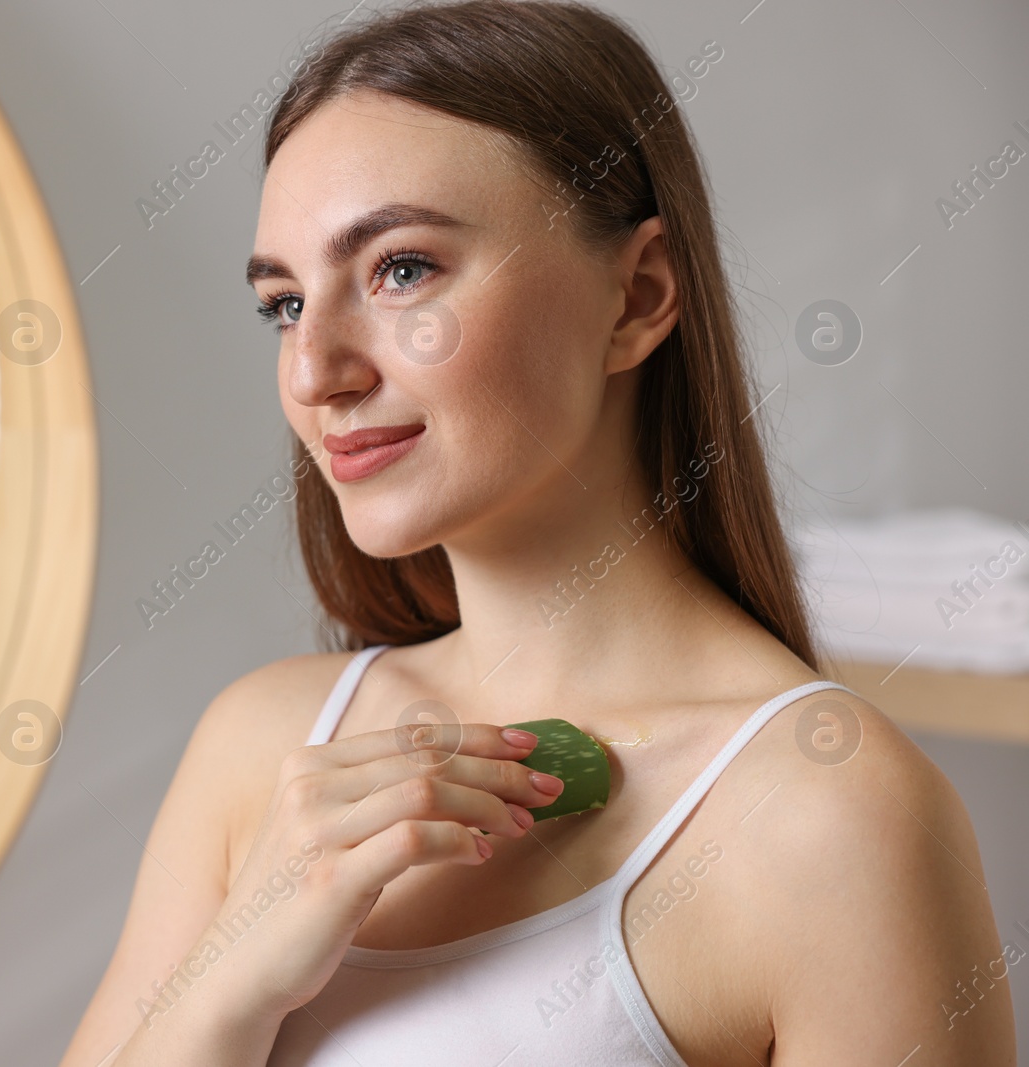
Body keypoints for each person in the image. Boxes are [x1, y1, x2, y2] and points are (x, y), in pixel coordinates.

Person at [60, 2, 1015, 1063]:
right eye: (284, 303)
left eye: (401, 269)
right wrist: (227, 986)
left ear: (637, 295)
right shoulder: (266, 751)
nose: (312, 370)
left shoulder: (828, 815)